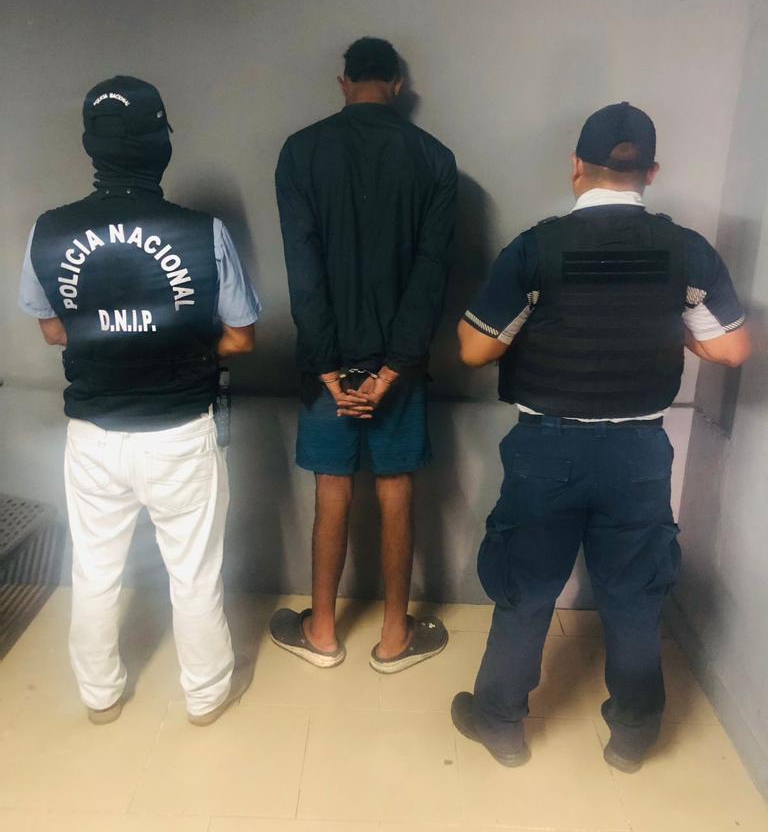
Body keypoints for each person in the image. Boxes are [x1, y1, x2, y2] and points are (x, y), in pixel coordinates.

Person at [451, 102, 752, 771]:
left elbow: (473, 349)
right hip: (638, 453)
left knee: (527, 591)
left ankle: (500, 725)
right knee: (635, 596)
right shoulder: (687, 250)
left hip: (546, 449)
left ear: (576, 166)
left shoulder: (537, 248)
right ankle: (633, 738)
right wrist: (666, 327)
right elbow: (732, 349)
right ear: (651, 172)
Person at [17, 75, 260, 726]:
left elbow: (52, 330)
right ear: (162, 145)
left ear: (90, 145)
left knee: (94, 570)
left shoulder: (48, 230)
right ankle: (206, 696)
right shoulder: (203, 231)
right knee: (195, 572)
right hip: (180, 433)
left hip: (92, 437)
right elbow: (241, 337)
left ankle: (100, 696)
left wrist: (110, 334)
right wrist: (177, 340)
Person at [272, 37, 457, 672]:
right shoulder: (434, 159)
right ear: (398, 85)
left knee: (332, 487)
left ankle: (322, 633)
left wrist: (328, 368)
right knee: (396, 486)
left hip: (327, 365)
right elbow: (432, 274)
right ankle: (395, 639)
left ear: (343, 82)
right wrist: (393, 368)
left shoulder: (300, 151)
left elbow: (303, 269)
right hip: (399, 368)